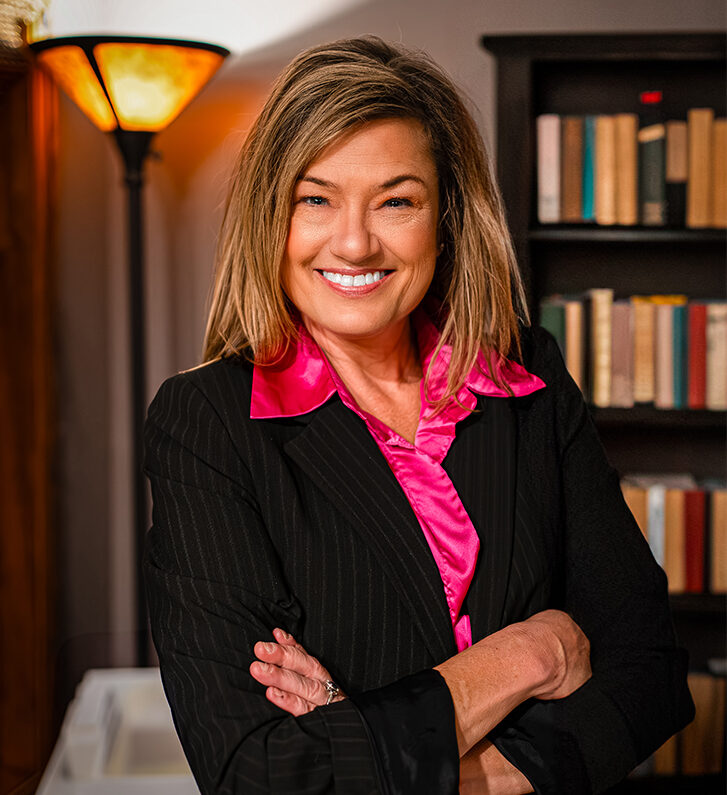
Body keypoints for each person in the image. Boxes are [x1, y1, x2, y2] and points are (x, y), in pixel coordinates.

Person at [143, 36, 694, 795]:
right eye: (315, 198)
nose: (354, 241)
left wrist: (363, 731)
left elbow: (650, 672)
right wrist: (524, 657)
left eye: (396, 200)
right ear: (271, 215)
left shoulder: (527, 376)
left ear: (446, 219)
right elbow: (256, 773)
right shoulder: (207, 423)